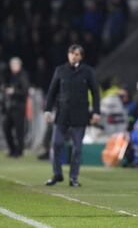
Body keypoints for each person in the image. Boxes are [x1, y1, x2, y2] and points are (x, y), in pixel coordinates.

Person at [44, 44, 101, 187]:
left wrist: (96, 112)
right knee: (56, 144)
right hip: (62, 114)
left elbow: (95, 93)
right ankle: (57, 174)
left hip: (80, 115)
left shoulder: (88, 71)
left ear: (81, 56)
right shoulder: (60, 70)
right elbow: (52, 92)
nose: (73, 56)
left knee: (77, 148)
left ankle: (73, 178)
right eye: (71, 53)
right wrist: (47, 110)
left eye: (76, 54)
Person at [1, 57, 30, 157]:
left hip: (19, 107)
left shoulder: (23, 75)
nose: (12, 67)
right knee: (6, 127)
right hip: (10, 107)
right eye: (12, 65)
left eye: (14, 65)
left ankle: (19, 151)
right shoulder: (11, 75)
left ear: (19, 65)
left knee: (19, 130)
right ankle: (12, 149)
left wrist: (14, 92)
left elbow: (25, 91)